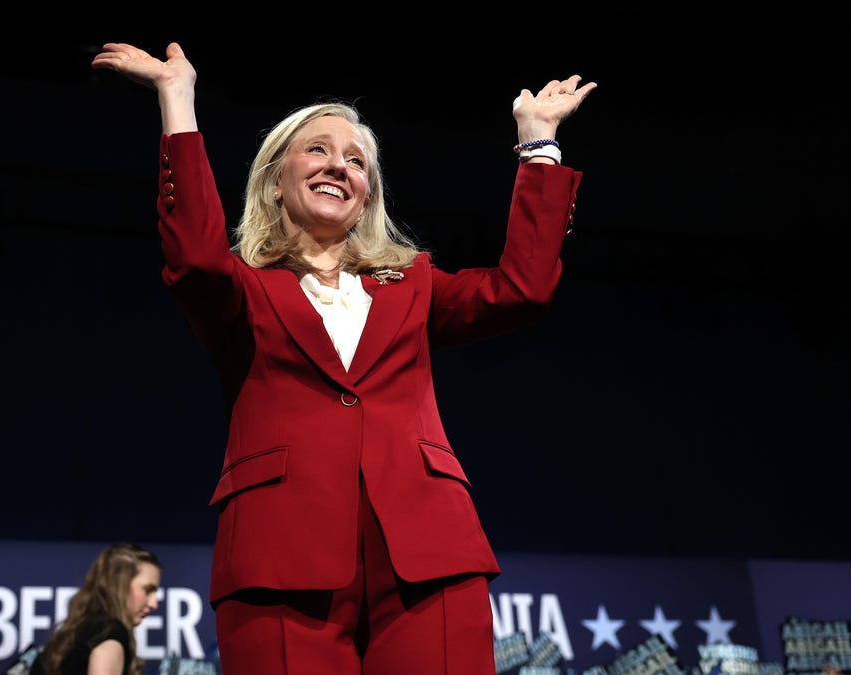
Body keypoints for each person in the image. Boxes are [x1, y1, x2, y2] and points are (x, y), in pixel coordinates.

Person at [90, 40, 595, 674]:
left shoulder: (412, 283)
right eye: (319, 150)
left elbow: (522, 287)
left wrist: (538, 142)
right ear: (276, 181)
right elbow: (192, 255)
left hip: (426, 552)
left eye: (357, 162)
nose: (340, 166)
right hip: (280, 555)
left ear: (366, 196)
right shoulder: (242, 290)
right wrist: (177, 99)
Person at [30, 542, 161, 675]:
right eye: (148, 590)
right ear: (120, 585)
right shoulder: (110, 633)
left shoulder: (72, 635)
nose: (154, 604)